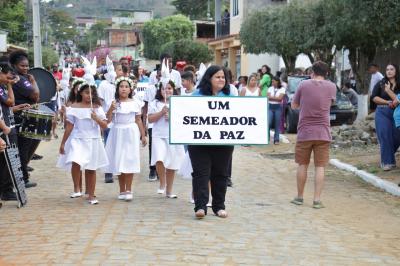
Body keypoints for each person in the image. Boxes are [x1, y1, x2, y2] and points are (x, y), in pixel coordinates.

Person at [188, 65, 235, 219]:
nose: (221, 79)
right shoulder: (196, 96)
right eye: (218, 77)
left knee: (221, 174)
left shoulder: (230, 96)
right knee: (201, 174)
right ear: (209, 78)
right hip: (199, 143)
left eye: (223, 77)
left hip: (223, 142)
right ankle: (200, 206)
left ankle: (219, 206)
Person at [290, 61, 336, 209]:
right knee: (320, 166)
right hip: (323, 131)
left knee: (302, 164)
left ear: (312, 72)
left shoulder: (304, 85)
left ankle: (299, 197)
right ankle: (317, 200)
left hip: (305, 131)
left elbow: (294, 105)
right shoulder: (332, 86)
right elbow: (331, 103)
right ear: (326, 73)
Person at [57, 83, 109, 204]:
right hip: (78, 139)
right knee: (75, 161)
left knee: (91, 168)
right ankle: (77, 187)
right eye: (86, 93)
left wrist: (96, 118)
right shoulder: (74, 108)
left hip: (93, 140)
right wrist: (63, 143)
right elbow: (69, 127)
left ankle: (91, 194)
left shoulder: (97, 108)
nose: (89, 96)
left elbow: (105, 126)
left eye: (92, 93)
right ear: (80, 93)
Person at [105, 77, 147, 201]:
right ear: (117, 89)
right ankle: (122, 189)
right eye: (121, 86)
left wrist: (143, 135)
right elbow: (108, 120)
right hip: (117, 131)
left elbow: (138, 119)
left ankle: (129, 189)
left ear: (130, 89)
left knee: (129, 159)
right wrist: (111, 109)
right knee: (119, 160)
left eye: (126, 86)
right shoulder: (113, 103)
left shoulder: (135, 103)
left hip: (130, 132)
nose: (123, 89)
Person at [148, 80, 184, 198]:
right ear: (160, 90)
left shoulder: (178, 102)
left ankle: (169, 190)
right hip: (158, 135)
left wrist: (172, 117)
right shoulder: (155, 103)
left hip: (173, 136)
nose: (167, 91)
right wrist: (161, 113)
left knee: (172, 164)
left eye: (169, 88)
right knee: (159, 159)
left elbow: (183, 120)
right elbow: (150, 119)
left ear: (173, 89)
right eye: (164, 88)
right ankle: (162, 183)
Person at [9, 50, 40, 188]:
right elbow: (35, 96)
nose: (26, 68)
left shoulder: (17, 77)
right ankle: (23, 179)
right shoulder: (20, 79)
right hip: (22, 118)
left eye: (27, 66)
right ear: (14, 65)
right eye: (22, 66)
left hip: (20, 117)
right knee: (24, 148)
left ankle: (21, 176)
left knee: (25, 147)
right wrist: (33, 81)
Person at [98, 63, 124, 183]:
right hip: (108, 118)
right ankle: (108, 172)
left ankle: (119, 168)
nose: (118, 72)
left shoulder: (121, 85)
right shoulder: (103, 85)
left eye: (119, 70)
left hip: (119, 119)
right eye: (118, 70)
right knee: (108, 144)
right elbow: (100, 100)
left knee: (118, 145)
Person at [371, 64, 400, 171]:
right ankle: (388, 162)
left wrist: (389, 92)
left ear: (396, 71)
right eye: (387, 69)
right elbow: (374, 97)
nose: (389, 71)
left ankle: (386, 155)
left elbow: (398, 99)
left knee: (397, 136)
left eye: (392, 69)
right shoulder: (381, 83)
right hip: (382, 111)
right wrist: (387, 102)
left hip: (397, 112)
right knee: (384, 135)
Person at [143, 67, 161, 182]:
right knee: (152, 145)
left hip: (164, 121)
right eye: (159, 75)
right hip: (152, 121)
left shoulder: (169, 88)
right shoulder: (150, 89)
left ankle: (162, 169)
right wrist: (145, 120)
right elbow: (145, 105)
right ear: (156, 76)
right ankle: (152, 168)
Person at [268, 76, 286, 145]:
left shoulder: (282, 89)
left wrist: (272, 98)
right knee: (269, 122)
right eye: (272, 81)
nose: (272, 82)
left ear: (277, 81)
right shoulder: (270, 88)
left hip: (278, 107)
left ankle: (276, 139)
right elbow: (268, 97)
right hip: (270, 106)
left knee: (277, 123)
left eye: (273, 81)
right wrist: (276, 98)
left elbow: (280, 99)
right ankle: (267, 138)